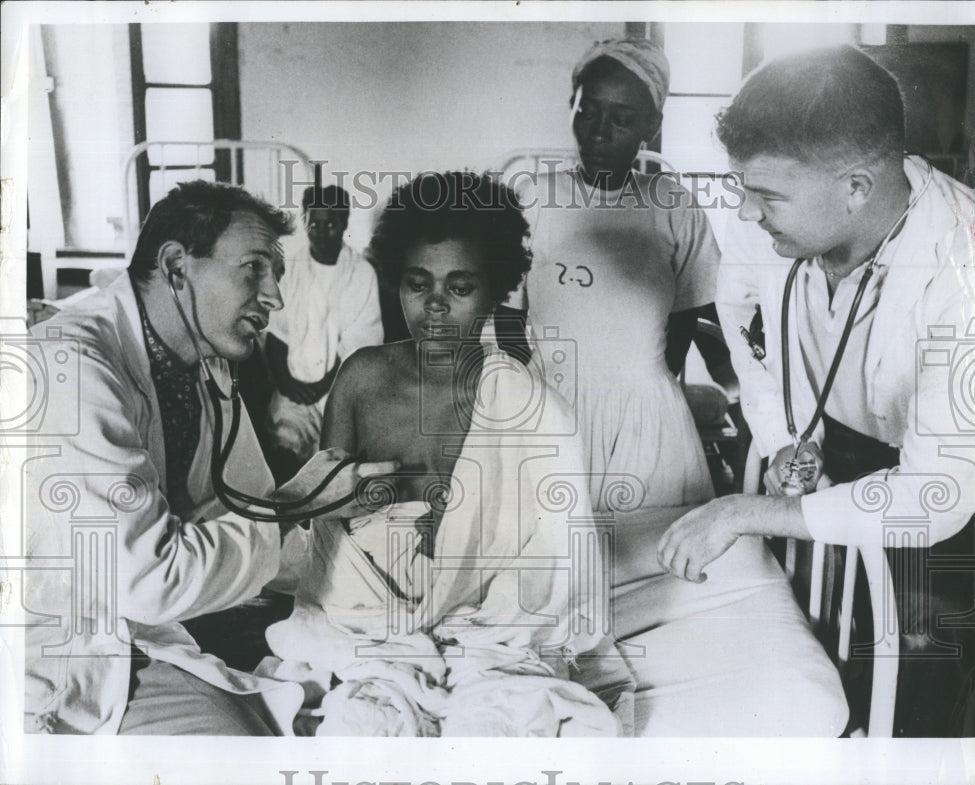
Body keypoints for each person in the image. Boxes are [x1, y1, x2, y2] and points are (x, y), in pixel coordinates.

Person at [659, 45, 975, 736]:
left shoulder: (968, 273)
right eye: (743, 188)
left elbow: (936, 495)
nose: (745, 212)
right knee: (835, 643)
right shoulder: (773, 218)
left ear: (856, 187)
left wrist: (743, 511)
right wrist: (784, 437)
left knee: (922, 678)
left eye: (766, 196)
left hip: (955, 494)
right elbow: (745, 319)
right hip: (837, 446)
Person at [23, 181, 394, 735]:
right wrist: (301, 500)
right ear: (177, 266)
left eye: (277, 274)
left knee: (324, 692)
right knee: (245, 746)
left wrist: (363, 581)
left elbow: (246, 508)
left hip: (148, 621)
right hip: (60, 643)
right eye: (254, 269)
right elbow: (152, 576)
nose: (275, 297)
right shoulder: (68, 366)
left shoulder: (203, 365)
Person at [261, 172, 619, 736]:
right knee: (362, 729)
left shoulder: (527, 403)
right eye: (417, 283)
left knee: (494, 734)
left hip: (489, 626)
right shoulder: (361, 380)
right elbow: (328, 525)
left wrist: (469, 569)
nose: (434, 305)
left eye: (459, 287)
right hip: (371, 619)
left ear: (496, 290)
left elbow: (553, 550)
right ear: (395, 282)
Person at [516, 37, 718, 511]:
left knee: (647, 538)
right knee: (547, 536)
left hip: (646, 414)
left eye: (622, 120)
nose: (599, 133)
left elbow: (688, 312)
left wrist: (645, 385)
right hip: (547, 405)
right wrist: (534, 393)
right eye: (587, 113)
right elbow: (508, 315)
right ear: (572, 106)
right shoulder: (535, 197)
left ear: (652, 126)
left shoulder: (672, 205)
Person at [265, 183, 382, 469]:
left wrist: (324, 386)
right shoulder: (289, 268)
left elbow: (360, 344)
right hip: (294, 392)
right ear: (304, 220)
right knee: (284, 447)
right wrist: (289, 384)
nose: (321, 231)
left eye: (331, 224)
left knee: (336, 462)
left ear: (345, 222)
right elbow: (276, 334)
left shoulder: (361, 273)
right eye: (314, 223)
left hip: (339, 390)